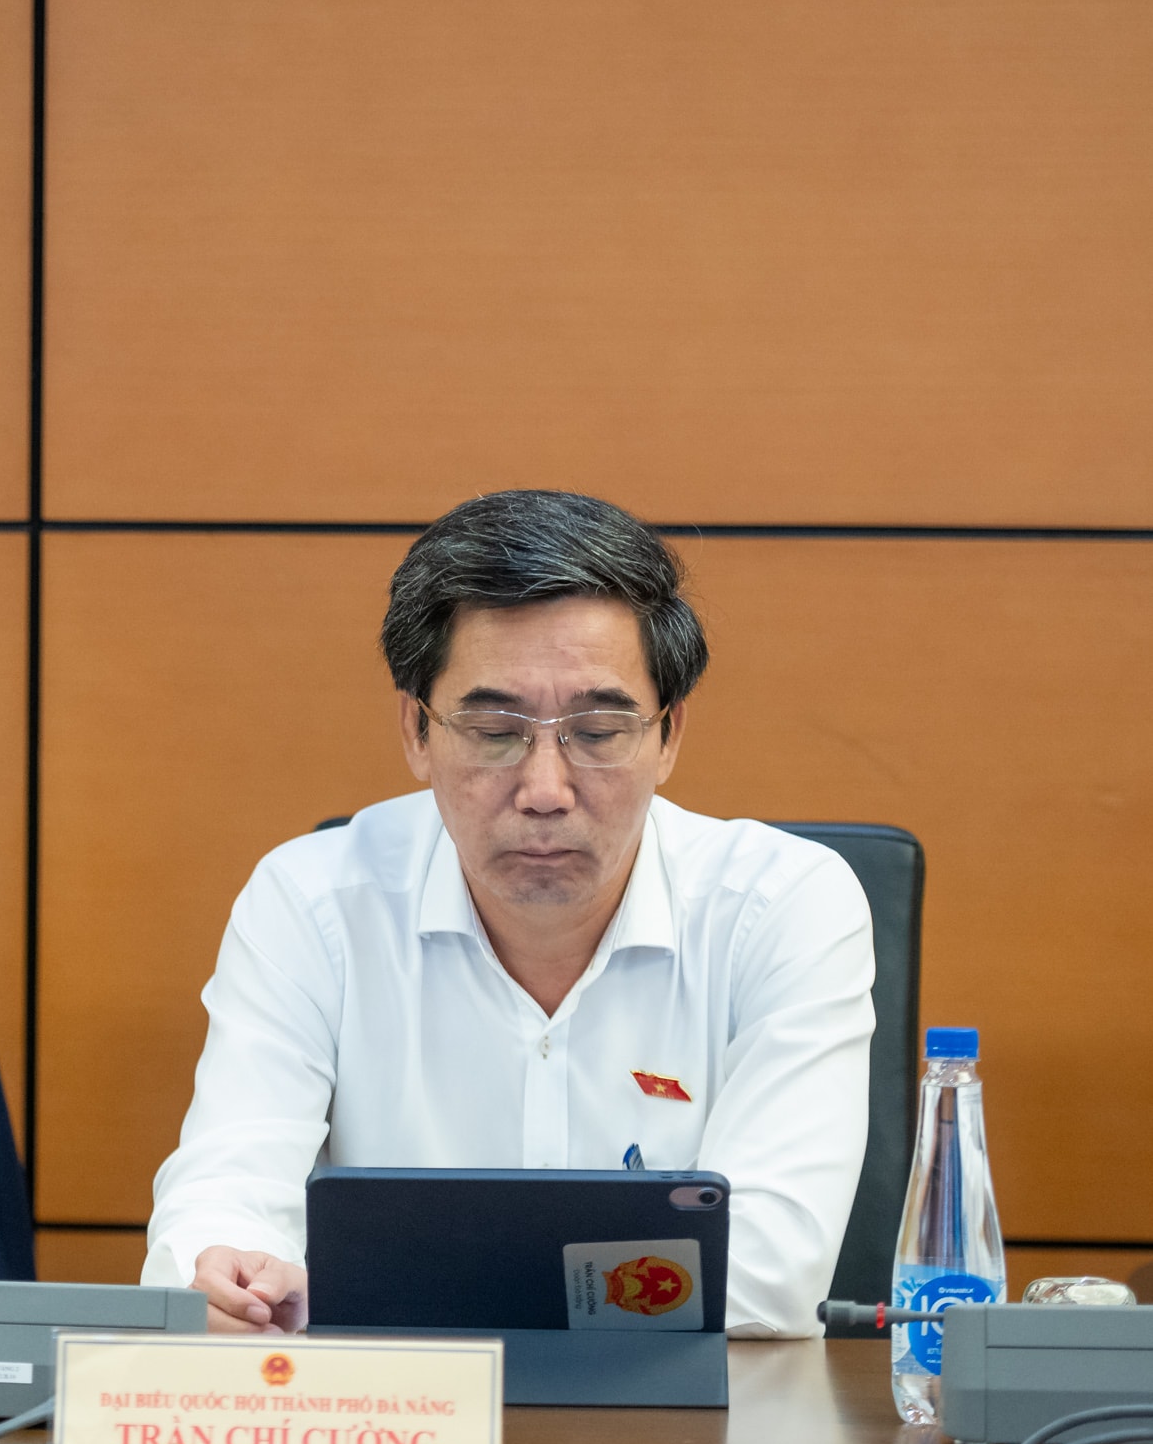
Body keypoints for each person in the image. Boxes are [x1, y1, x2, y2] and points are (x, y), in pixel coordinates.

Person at [145, 489, 873, 1339]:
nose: (545, 789)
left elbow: (769, 1271)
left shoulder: (783, 908)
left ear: (669, 735)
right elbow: (220, 1200)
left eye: (597, 731)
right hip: (398, 1414)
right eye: (495, 729)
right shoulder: (313, 905)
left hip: (688, 1415)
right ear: (417, 731)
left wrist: (359, 1293)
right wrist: (230, 1279)